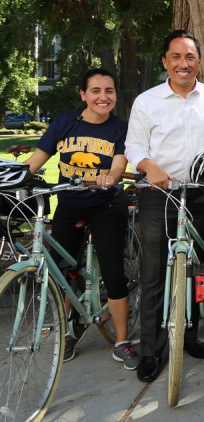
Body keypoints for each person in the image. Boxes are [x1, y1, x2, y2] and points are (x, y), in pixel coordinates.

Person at [125, 30, 204, 383]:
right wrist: (149, 166)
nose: (183, 63)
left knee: (194, 267)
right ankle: (151, 351)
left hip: (201, 193)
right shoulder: (147, 102)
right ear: (165, 61)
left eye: (190, 57)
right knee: (154, 274)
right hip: (158, 195)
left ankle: (190, 336)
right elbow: (134, 146)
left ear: (199, 61)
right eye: (176, 56)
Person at [23, 68, 140, 370]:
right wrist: (15, 179)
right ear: (84, 95)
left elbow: (117, 167)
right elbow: (34, 162)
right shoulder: (63, 124)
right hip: (70, 204)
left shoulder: (121, 128)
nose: (103, 97)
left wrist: (109, 178)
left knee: (114, 274)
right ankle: (68, 330)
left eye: (109, 91)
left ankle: (122, 342)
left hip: (106, 205)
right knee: (61, 272)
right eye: (96, 91)